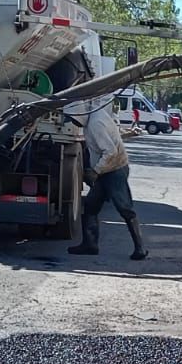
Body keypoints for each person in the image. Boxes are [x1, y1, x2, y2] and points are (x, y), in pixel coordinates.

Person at [69, 100, 147, 260]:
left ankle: (140, 248)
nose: (73, 122)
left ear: (79, 114)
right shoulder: (94, 116)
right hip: (106, 170)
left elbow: (110, 152)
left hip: (115, 170)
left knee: (125, 208)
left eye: (73, 118)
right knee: (91, 206)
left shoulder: (95, 124)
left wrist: (95, 171)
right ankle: (90, 244)